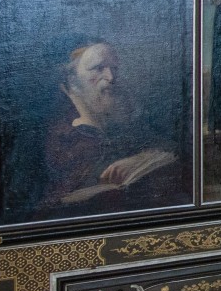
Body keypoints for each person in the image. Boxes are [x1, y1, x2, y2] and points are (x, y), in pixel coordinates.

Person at [40, 40, 182, 214]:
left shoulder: (118, 119)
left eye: (114, 69)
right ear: (72, 79)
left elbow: (169, 146)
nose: (111, 77)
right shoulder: (62, 132)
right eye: (98, 68)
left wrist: (140, 159)